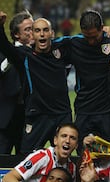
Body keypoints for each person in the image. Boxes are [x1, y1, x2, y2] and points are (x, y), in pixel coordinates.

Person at [0, 11, 72, 153]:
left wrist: (105, 34)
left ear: (52, 33)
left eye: (45, 30)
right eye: (37, 30)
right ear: (32, 35)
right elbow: (5, 47)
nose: (42, 34)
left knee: (64, 157)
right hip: (37, 116)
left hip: (61, 115)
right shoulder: (25, 55)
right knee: (27, 157)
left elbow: (86, 40)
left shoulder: (63, 49)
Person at [57, 10, 110, 154]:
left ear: (102, 28)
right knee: (82, 155)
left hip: (108, 111)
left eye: (94, 37)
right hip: (84, 110)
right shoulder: (74, 43)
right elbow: (49, 44)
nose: (91, 41)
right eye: (87, 37)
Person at [2, 123, 78, 182]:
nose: (67, 141)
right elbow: (8, 178)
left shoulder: (72, 168)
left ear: (76, 145)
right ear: (55, 140)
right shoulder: (42, 157)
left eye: (72, 138)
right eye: (64, 136)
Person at [0, 10, 33, 154]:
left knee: (25, 164)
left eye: (34, 28)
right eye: (28, 29)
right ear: (16, 34)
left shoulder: (40, 55)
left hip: (28, 118)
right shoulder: (3, 53)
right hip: (5, 119)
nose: (32, 32)